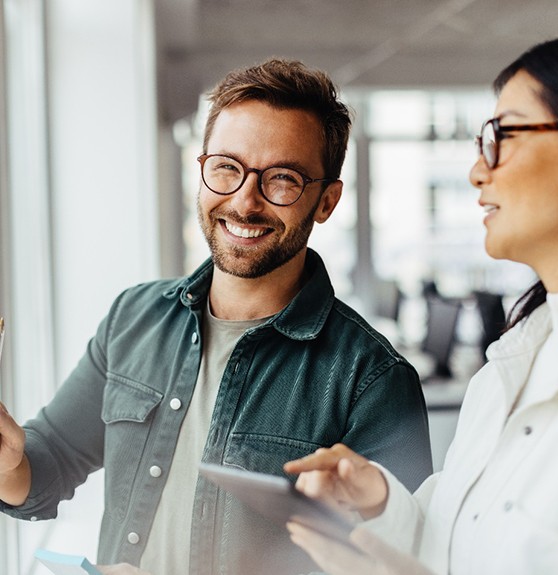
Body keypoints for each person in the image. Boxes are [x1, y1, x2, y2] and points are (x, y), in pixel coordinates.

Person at [0, 58, 433, 575]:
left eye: (282, 179)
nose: (245, 202)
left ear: (326, 201)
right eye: (227, 167)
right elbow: (48, 464)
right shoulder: (131, 318)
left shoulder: (373, 380)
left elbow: (402, 562)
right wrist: (9, 465)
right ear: (202, 170)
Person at [284, 34, 558, 575]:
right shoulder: (512, 364)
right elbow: (455, 541)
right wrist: (378, 500)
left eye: (502, 136)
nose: (476, 172)